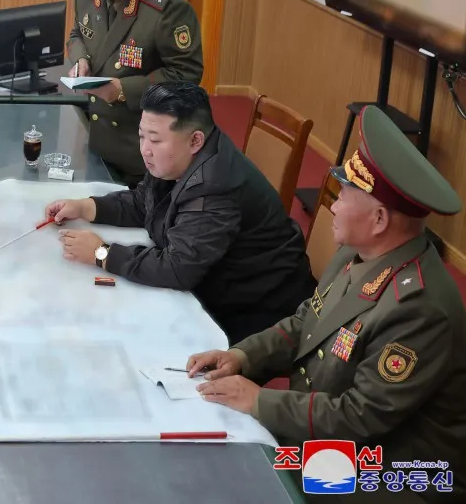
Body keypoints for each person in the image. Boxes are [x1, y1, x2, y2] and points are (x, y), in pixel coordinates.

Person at [189, 105, 465, 501]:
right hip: (331, 435)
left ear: (379, 220)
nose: (332, 205)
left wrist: (260, 401)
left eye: (344, 195)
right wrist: (243, 356)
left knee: (234, 481)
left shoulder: (418, 308)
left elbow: (359, 416)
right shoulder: (357, 253)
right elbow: (307, 321)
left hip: (391, 470)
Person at [46, 81, 316, 344]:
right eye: (141, 136)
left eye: (155, 140)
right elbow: (144, 203)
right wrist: (86, 207)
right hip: (217, 280)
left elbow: (177, 268)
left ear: (195, 140)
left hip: (257, 312)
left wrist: (102, 253)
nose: (145, 150)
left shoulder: (215, 189)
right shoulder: (178, 157)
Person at [66, 0, 204, 187]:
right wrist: (80, 59)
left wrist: (122, 90)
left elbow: (186, 75)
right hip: (96, 136)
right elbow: (77, 33)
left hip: (141, 149)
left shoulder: (166, 8)